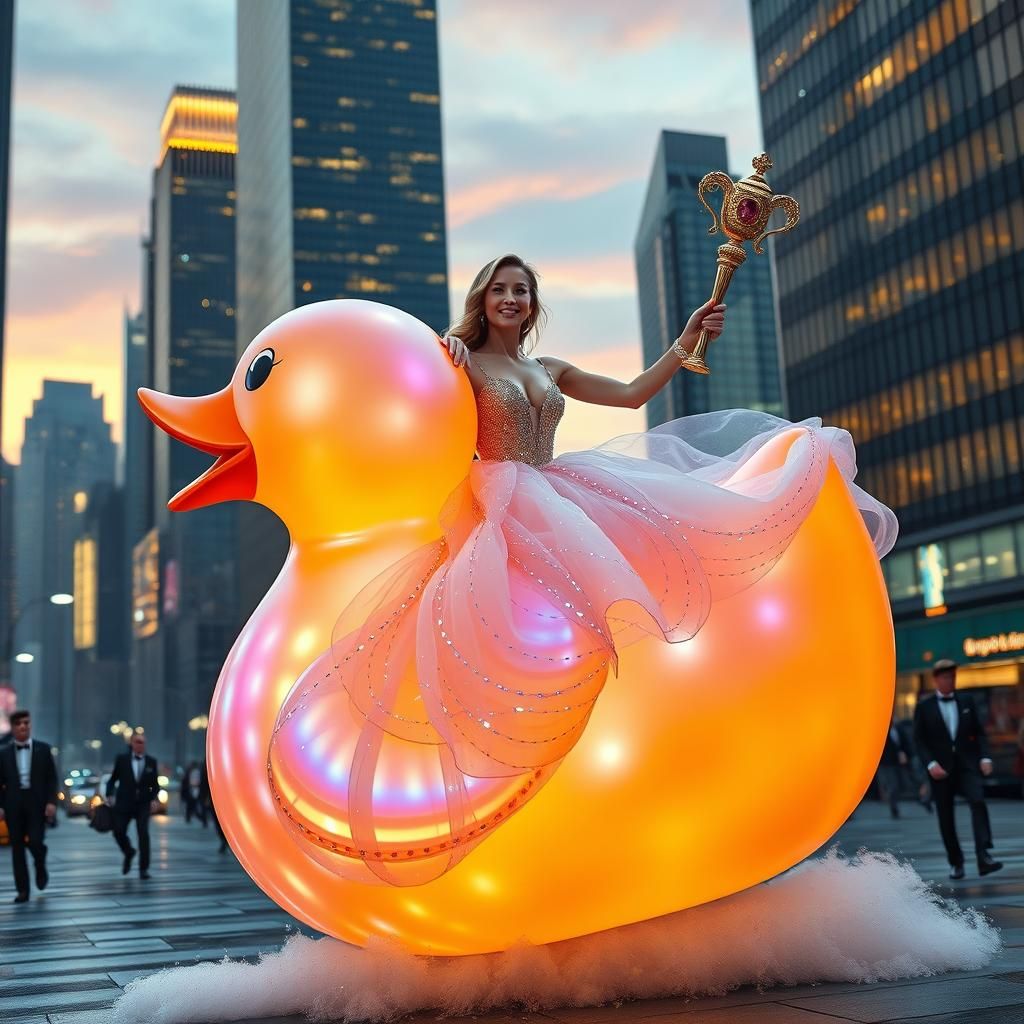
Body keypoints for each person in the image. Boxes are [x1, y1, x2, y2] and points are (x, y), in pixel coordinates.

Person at [268, 253, 898, 881]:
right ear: (482, 299)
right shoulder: (458, 361)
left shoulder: (549, 369)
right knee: (523, 631)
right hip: (500, 502)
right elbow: (417, 412)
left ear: (532, 304)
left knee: (641, 577)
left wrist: (686, 341)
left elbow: (630, 396)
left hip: (559, 492)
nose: (510, 299)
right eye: (499, 289)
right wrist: (443, 360)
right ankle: (516, 755)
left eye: (521, 290)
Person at [913, 659, 1001, 879]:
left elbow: (979, 732)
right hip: (940, 769)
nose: (950, 681)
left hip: (967, 765)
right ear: (936, 679)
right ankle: (956, 862)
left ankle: (983, 856)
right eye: (945, 677)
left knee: (978, 801)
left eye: (953, 677)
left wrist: (985, 757)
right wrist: (930, 764)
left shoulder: (966, 700)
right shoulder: (924, 706)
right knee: (946, 816)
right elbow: (919, 740)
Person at [0, 710, 57, 903]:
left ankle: (40, 863)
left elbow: (52, 779)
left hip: (37, 803)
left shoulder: (44, 749)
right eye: (18, 724)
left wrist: (51, 802)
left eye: (26, 722)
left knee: (35, 841)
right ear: (13, 728)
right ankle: (22, 890)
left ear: (30, 725)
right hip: (13, 804)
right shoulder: (3, 753)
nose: (23, 726)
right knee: (17, 848)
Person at [106, 731, 160, 879]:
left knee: (143, 834)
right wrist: (110, 794)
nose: (140, 745)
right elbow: (112, 779)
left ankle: (144, 869)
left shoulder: (151, 762)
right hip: (124, 802)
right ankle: (129, 852)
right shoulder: (122, 760)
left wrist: (154, 799)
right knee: (118, 831)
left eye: (142, 742)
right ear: (132, 744)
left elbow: (155, 785)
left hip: (143, 804)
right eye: (137, 742)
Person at [876, 715, 910, 818]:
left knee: (901, 784)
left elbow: (905, 744)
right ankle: (893, 807)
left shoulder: (899, 730)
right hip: (887, 763)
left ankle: (893, 801)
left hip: (899, 762)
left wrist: (905, 754)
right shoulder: (882, 732)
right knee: (893, 785)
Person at [182, 761, 207, 826]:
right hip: (195, 790)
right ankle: (201, 819)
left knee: (193, 806)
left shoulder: (193, 772)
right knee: (193, 806)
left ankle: (201, 818)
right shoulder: (197, 772)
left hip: (195, 790)